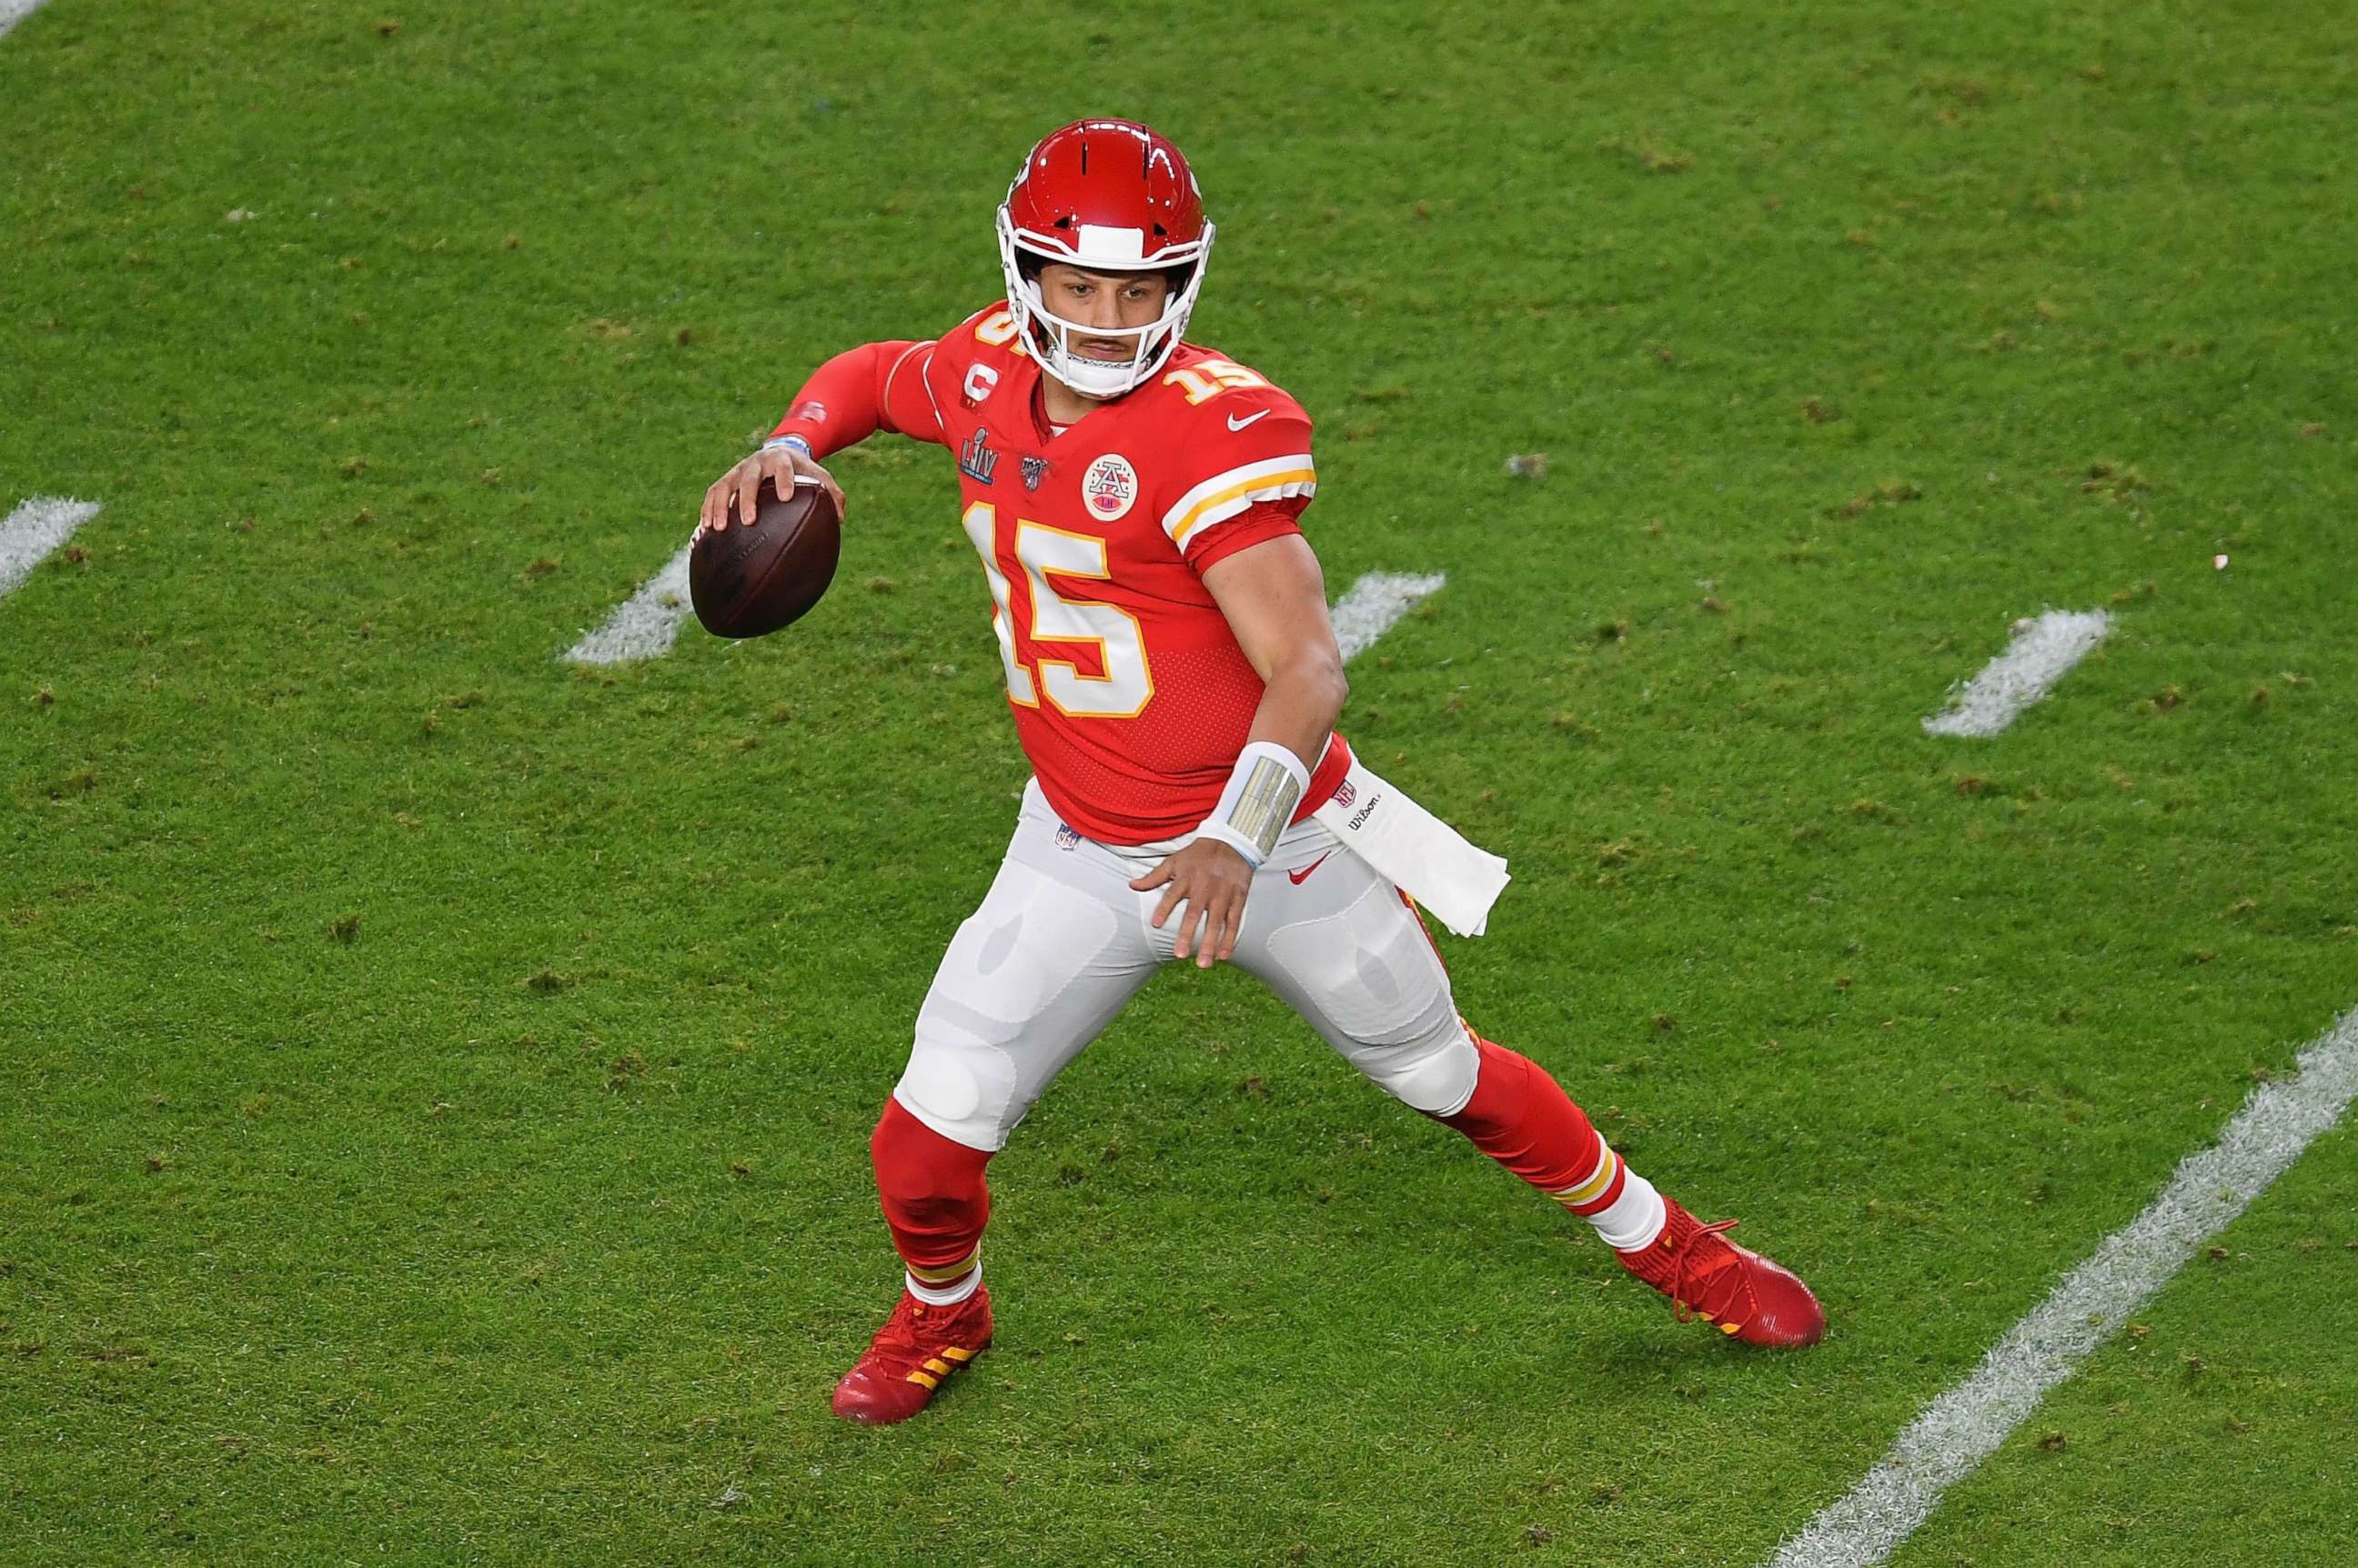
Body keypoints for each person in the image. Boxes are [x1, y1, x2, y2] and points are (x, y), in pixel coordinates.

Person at [700, 119, 1824, 1425]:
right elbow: (879, 374)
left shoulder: (1210, 432)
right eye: (1079, 285)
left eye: (1138, 288)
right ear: (1026, 276)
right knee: (925, 1138)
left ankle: (1665, 1239)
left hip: (1275, 842)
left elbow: (1308, 673)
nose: (1109, 318)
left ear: (1181, 282)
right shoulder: (981, 371)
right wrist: (792, 441)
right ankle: (946, 1311)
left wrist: (1234, 836)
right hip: (1075, 842)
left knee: (1439, 1074)